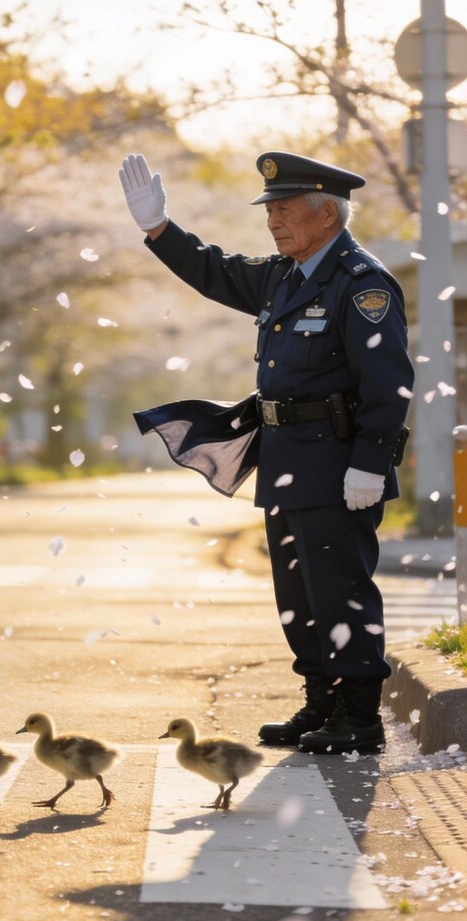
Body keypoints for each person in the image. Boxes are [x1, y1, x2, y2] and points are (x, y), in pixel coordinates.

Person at [120, 151, 414, 755]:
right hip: (284, 461)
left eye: (284, 211)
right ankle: (321, 703)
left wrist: (370, 462)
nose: (273, 223)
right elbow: (215, 271)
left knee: (341, 589)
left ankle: (359, 714)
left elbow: (388, 385)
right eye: (270, 212)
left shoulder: (362, 284)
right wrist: (159, 229)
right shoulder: (285, 275)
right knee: (299, 594)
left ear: (327, 214)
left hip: (338, 467)